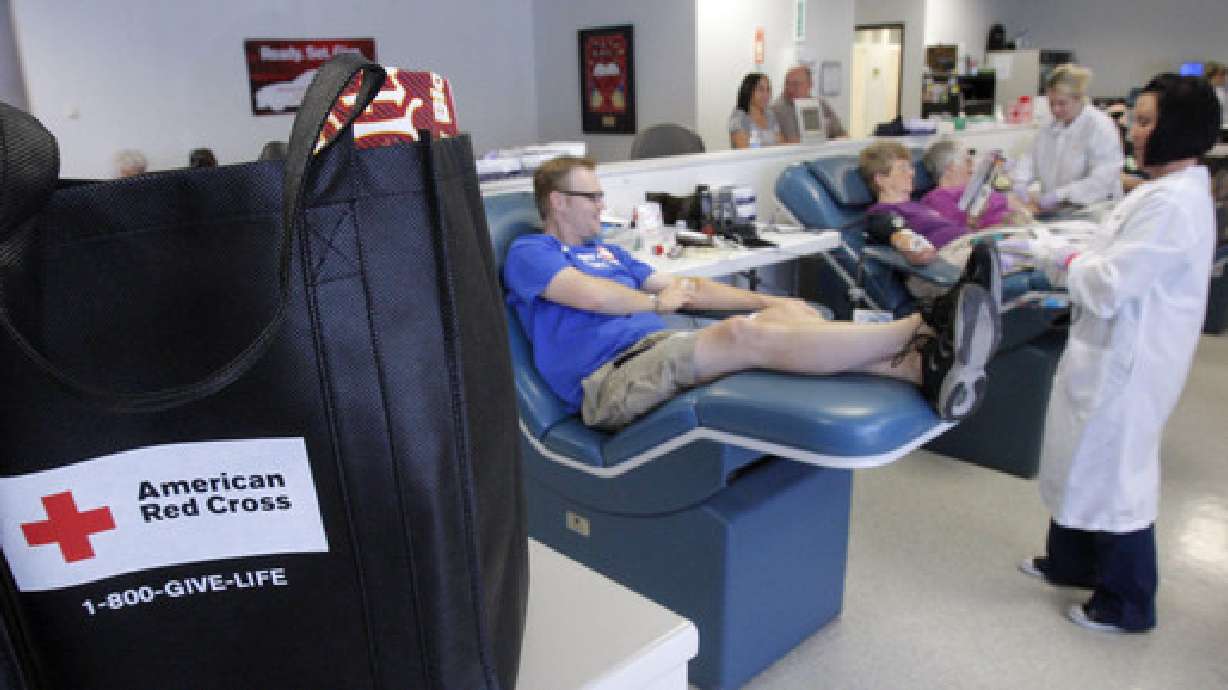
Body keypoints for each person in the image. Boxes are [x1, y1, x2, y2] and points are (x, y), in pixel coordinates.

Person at [503, 156, 1002, 429]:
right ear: (557, 202)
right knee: (741, 336)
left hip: (656, 350)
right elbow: (589, 297)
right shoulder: (532, 252)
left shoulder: (613, 253)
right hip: (608, 383)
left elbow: (689, 288)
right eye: (591, 196)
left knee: (778, 320)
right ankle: (922, 325)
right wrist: (656, 303)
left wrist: (771, 300)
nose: (600, 205)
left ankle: (920, 369)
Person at [1001, 74, 1221, 634]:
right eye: (1136, 120)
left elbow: (1111, 281)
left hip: (1131, 357)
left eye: (1146, 122)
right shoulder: (1159, 191)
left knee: (1117, 473)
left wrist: (1057, 263)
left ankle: (1127, 603)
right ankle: (1071, 562)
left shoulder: (1176, 203)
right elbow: (1106, 247)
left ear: (1179, 130)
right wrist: (1052, 244)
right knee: (1078, 456)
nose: (1135, 132)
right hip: (1105, 348)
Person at [1012, 64, 1123, 213]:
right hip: (1059, 210)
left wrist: (1062, 194)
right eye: (1051, 103)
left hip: (1094, 210)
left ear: (1078, 98)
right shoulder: (1050, 125)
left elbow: (1103, 179)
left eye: (1062, 103)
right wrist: (1021, 180)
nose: (1055, 109)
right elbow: (1031, 157)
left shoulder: (1099, 126)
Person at [920, 140, 1031, 229]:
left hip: (1025, 226)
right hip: (1000, 239)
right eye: (968, 161)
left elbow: (1015, 204)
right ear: (950, 168)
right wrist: (1006, 226)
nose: (973, 167)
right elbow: (963, 232)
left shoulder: (977, 189)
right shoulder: (938, 197)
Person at [771, 65, 847, 144]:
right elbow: (775, 143)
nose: (790, 88)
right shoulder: (775, 110)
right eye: (787, 83)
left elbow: (842, 134)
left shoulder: (821, 105)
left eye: (795, 84)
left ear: (809, 84)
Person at [728, 73, 781, 149]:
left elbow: (781, 143)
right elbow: (743, 149)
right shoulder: (739, 117)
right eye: (761, 89)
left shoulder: (770, 114)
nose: (766, 94)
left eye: (768, 89)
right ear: (749, 91)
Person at [1205, 61, 1227, 126]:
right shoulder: (1204, 93)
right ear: (1212, 76)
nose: (1224, 77)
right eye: (1221, 74)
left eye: (1225, 74)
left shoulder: (1224, 90)